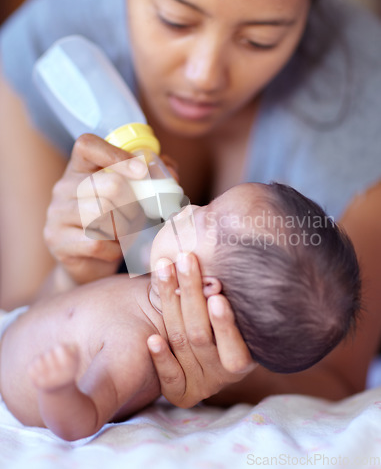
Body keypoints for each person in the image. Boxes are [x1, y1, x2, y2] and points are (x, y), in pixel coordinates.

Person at [0, 0, 381, 410]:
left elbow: (335, 379)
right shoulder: (45, 50)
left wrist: (224, 378)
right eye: (175, 20)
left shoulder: (364, 103)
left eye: (259, 40)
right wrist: (74, 274)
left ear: (311, 8)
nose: (204, 76)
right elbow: (17, 322)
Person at [0, 183, 361, 440]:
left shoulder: (134, 348)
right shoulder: (151, 289)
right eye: (208, 204)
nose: (189, 209)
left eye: (203, 219)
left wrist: (59, 389)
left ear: (204, 289)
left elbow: (80, 421)